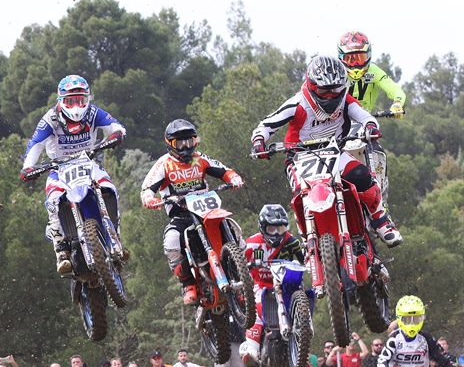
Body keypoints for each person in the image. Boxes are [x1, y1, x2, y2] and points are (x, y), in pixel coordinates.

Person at [250, 54, 400, 247]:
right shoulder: (298, 103)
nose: (330, 95)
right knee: (300, 194)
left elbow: (365, 116)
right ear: (312, 85)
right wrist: (259, 141)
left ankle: (381, 221)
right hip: (299, 157)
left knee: (362, 175)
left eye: (335, 89)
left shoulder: (345, 100)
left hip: (334, 152)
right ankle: (307, 241)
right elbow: (267, 124)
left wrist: (371, 127)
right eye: (324, 90)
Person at [20, 75, 126, 274]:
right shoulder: (50, 119)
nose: (76, 106)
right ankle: (61, 251)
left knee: (109, 188)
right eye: (70, 101)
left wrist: (117, 134)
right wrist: (28, 167)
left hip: (89, 163)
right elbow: (35, 145)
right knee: (52, 200)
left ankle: (116, 236)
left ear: (88, 99)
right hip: (58, 170)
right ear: (61, 101)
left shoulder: (94, 113)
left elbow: (116, 126)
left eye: (80, 100)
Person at [140, 119, 244, 304]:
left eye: (190, 141)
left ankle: (243, 273)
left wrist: (233, 178)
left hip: (208, 211)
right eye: (180, 143)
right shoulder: (164, 164)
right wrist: (150, 199)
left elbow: (224, 170)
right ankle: (188, 284)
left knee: (232, 228)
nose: (186, 147)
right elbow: (147, 188)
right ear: (170, 144)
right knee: (172, 241)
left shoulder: (200, 158)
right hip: (182, 214)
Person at [338, 31, 405, 197]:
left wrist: (397, 103)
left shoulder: (374, 71)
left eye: (359, 58)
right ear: (341, 58)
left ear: (368, 56)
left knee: (377, 150)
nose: (354, 64)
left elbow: (394, 87)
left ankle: (381, 197)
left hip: (364, 123)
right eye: (349, 59)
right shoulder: (335, 73)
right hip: (338, 124)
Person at [239, 204, 305, 367]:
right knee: (258, 308)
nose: (277, 233)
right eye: (272, 229)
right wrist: (248, 267)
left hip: (286, 284)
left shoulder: (291, 242)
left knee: (301, 303)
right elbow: (238, 265)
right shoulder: (253, 244)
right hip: (261, 284)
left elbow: (305, 260)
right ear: (263, 227)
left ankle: (302, 343)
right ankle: (252, 350)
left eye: (281, 228)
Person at [378, 295, 460, 367]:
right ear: (400, 319)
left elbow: (440, 359)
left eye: (416, 319)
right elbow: (382, 360)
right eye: (407, 319)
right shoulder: (394, 339)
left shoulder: (426, 338)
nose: (412, 323)